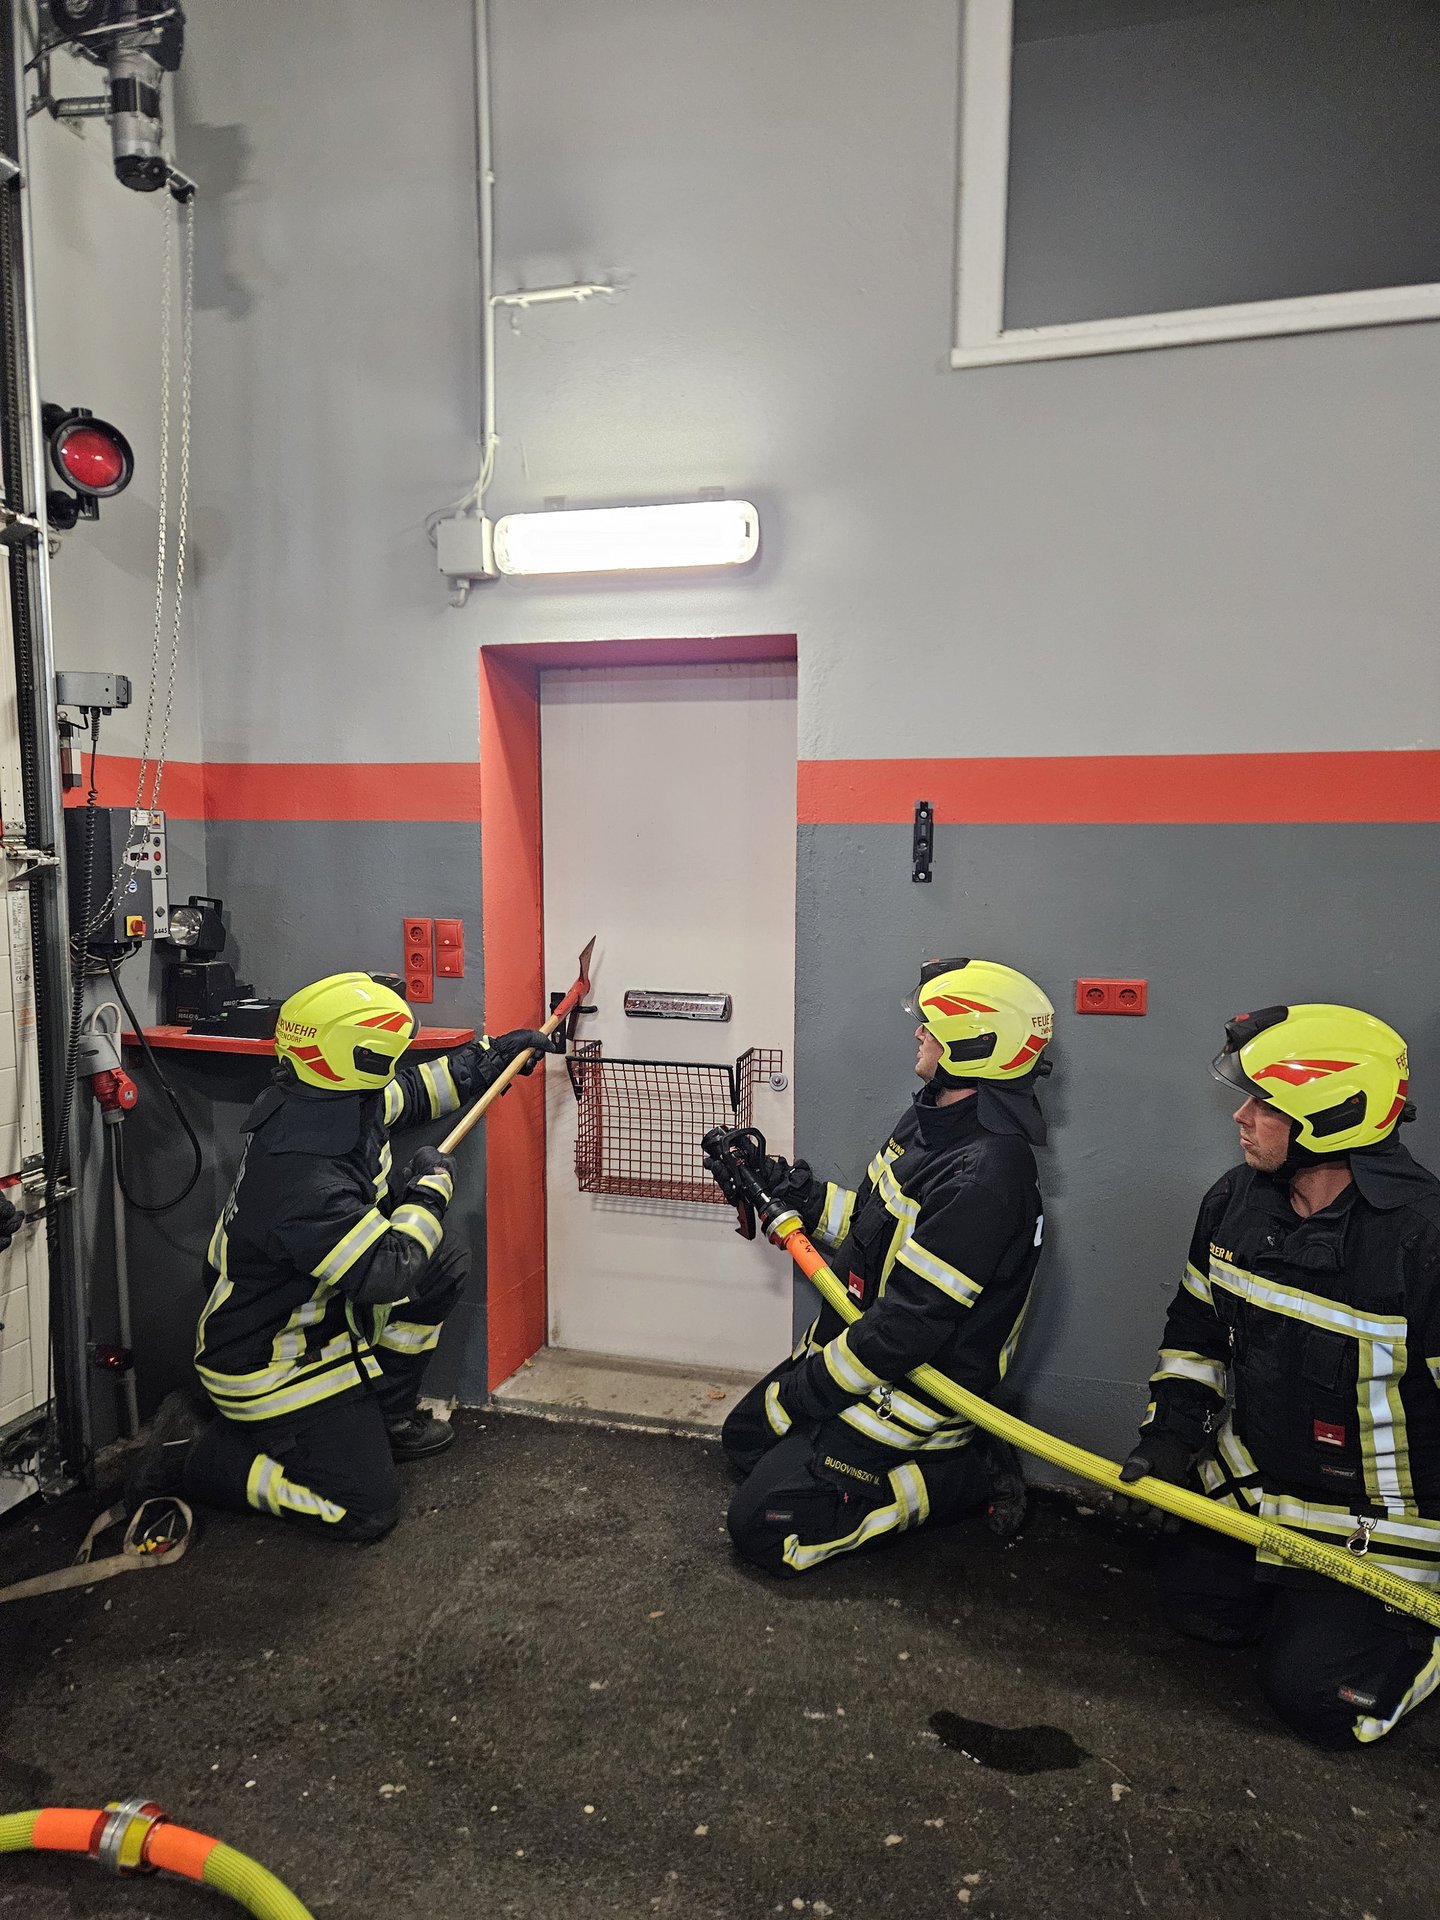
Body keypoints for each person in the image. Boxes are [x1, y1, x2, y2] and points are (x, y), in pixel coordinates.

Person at [125, 971, 557, 1543]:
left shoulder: (322, 1097)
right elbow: (389, 1271)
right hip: (271, 1365)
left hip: (320, 1325)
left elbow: (411, 1093)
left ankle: (387, 1416)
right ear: (359, 1059)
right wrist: (430, 1190)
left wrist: (491, 1057)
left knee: (442, 1261)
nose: (393, 1067)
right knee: (367, 1509)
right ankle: (201, 1456)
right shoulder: (307, 1177)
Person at [1121, 1002, 1440, 1748]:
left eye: (1265, 1103)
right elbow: (1196, 1334)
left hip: (1385, 1514)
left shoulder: (1423, 1243)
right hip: (1264, 1477)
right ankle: (1308, 1604)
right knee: (1198, 1610)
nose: (1241, 1117)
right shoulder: (1234, 1203)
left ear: (1331, 1116)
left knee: (1322, 1700)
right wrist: (1168, 1440)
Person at [721, 956, 1053, 1577]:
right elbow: (878, 1227)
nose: (918, 1032)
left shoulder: (986, 1174)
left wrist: (808, 1389)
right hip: (864, 1351)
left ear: (973, 1047)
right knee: (742, 1440)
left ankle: (967, 1474)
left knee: (763, 1531)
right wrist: (794, 1192)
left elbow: (907, 1328)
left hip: (914, 1390)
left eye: (932, 1025)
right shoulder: (934, 1118)